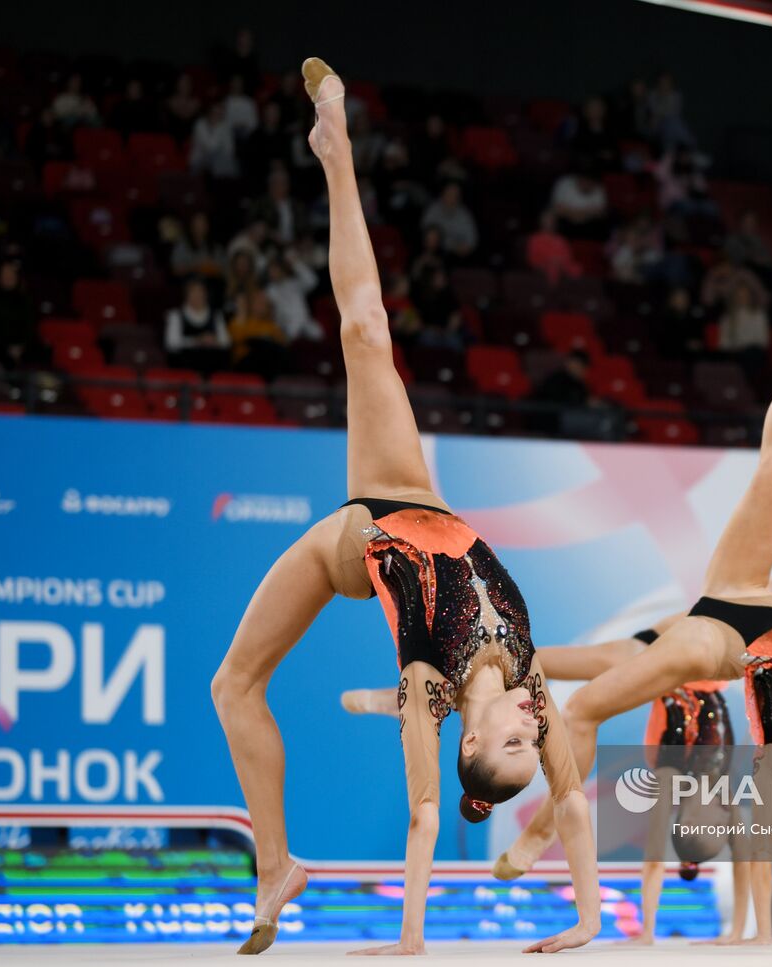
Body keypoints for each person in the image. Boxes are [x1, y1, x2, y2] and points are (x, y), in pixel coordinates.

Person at [212, 59, 600, 956]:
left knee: (362, 333)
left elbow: (426, 821)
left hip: (358, 538)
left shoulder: (429, 687)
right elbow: (573, 796)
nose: (531, 737)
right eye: (528, 749)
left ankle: (334, 146)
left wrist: (410, 942)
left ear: (474, 737)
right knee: (364, 332)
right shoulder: (533, 680)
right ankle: (276, 867)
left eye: (510, 749)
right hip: (410, 499)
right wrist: (583, 921)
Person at [490, 282, 772, 946]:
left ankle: (549, 838)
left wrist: (756, 936)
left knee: (581, 707)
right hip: (746, 590)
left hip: (715, 642)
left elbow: (756, 844)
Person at [407, 529, 772, 946]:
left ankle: (441, 715)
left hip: (687, 659)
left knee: (558, 687)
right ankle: (524, 813)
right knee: (555, 680)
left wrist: (752, 931)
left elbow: (744, 847)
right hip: (692, 646)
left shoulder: (728, 775)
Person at [164, 276, 231, 373]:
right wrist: (197, 341)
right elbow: (171, 343)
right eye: (193, 292)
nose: (197, 295)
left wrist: (214, 340)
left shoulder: (216, 315)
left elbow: (226, 342)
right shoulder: (176, 315)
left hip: (212, 366)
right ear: (186, 295)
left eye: (201, 291)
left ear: (206, 294)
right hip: (185, 367)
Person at [264, 251, 323, 343]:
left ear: (282, 269)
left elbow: (312, 281)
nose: (273, 273)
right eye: (271, 270)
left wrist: (295, 263)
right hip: (286, 330)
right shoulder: (270, 291)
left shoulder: (294, 283)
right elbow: (272, 313)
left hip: (306, 326)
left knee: (318, 334)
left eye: (275, 269)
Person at [717, 281, 770, 376]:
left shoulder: (758, 315)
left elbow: (763, 341)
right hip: (733, 354)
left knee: (752, 355)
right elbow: (723, 343)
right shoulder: (728, 318)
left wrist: (744, 346)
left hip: (752, 353)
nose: (742, 298)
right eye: (739, 295)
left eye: (745, 295)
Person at [420, 182, 478, 259]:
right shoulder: (433, 210)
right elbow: (425, 233)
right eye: (449, 194)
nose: (452, 198)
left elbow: (472, 240)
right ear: (442, 195)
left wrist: (463, 247)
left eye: (455, 195)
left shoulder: (465, 215)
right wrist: (449, 246)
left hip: (457, 256)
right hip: (436, 253)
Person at [549, 169, 609, 239]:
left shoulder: (599, 189)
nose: (586, 184)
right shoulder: (564, 183)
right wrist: (583, 212)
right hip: (565, 221)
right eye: (584, 181)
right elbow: (556, 208)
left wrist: (574, 212)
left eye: (590, 182)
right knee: (549, 218)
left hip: (588, 224)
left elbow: (601, 212)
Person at [525, 210, 581, 284]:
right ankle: (552, 293)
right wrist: (550, 260)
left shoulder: (561, 239)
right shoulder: (535, 239)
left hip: (562, 266)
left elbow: (568, 257)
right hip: (543, 266)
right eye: (548, 221)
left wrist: (560, 261)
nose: (550, 224)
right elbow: (532, 258)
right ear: (542, 223)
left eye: (552, 221)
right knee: (552, 269)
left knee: (577, 269)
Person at [189, 101, 239, 179]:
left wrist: (223, 158)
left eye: (220, 113)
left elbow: (230, 149)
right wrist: (217, 127)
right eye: (215, 112)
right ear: (209, 112)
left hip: (221, 161)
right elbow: (209, 147)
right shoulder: (200, 124)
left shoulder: (225, 126)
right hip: (200, 160)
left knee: (231, 164)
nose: (217, 115)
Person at [170, 212, 227, 280]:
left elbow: (225, 269)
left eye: (203, 224)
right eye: (197, 224)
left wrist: (211, 268)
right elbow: (176, 270)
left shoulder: (215, 247)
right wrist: (196, 267)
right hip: (188, 282)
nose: (200, 227)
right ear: (191, 226)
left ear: (207, 226)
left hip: (211, 283)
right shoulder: (182, 245)